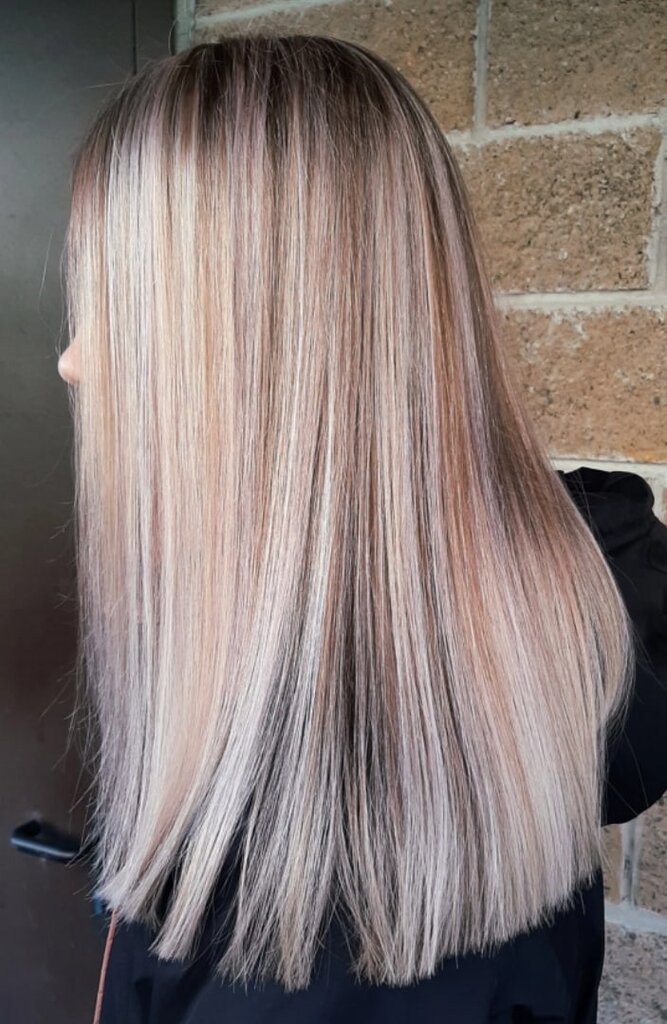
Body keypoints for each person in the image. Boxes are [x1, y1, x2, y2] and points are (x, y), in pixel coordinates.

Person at [56, 35, 667, 1024]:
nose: (74, 361)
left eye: (121, 303)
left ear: (269, 344)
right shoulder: (543, 627)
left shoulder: (309, 930)